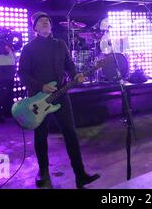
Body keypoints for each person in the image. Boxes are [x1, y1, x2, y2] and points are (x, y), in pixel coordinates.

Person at [18, 12, 100, 189]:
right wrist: (41, 86)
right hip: (38, 100)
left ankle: (80, 174)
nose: (45, 22)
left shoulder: (60, 45)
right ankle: (43, 171)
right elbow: (22, 74)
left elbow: (69, 65)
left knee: (70, 133)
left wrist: (76, 74)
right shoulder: (29, 48)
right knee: (40, 136)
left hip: (61, 96)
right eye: (41, 21)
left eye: (47, 20)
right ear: (35, 28)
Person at [0, 36, 16, 123]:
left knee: (8, 94)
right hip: (1, 74)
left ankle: (7, 112)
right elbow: (6, 55)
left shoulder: (5, 47)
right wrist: (9, 49)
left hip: (8, 73)